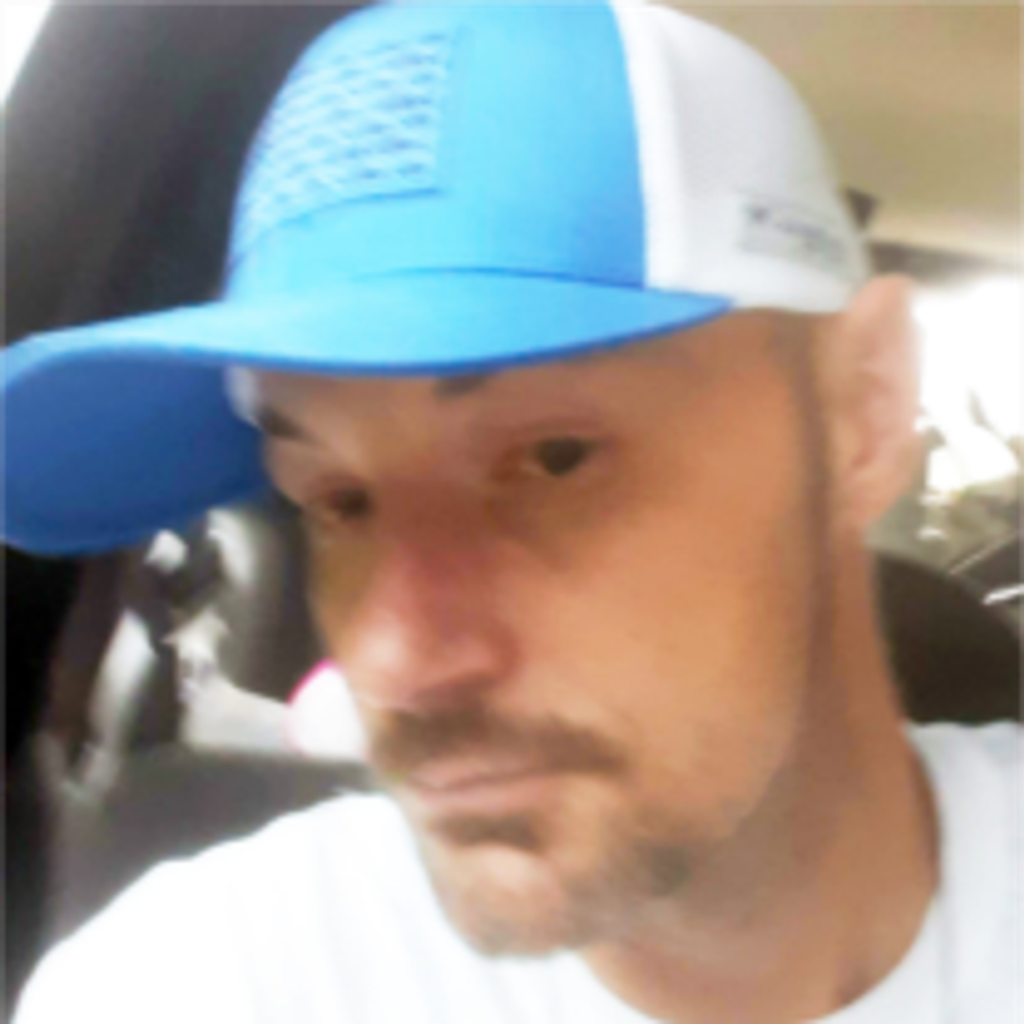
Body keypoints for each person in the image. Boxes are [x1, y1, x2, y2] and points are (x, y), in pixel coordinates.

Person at [2, 0, 1020, 1020]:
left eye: (553, 458)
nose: (392, 664)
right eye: (339, 500)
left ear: (861, 409)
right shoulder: (201, 980)